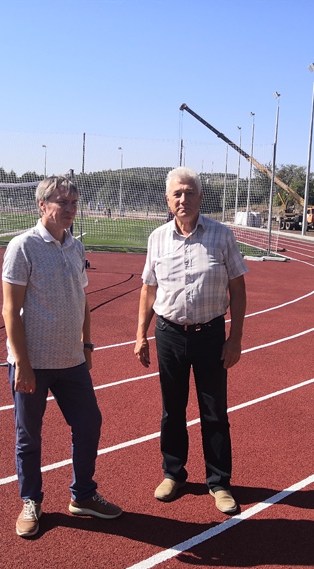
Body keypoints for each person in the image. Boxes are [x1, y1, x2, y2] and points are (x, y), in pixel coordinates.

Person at [2, 175, 122, 538]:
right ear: (42, 205)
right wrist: (22, 363)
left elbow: (82, 300)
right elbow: (10, 310)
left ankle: (83, 494)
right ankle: (31, 501)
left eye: (73, 203)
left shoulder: (75, 246)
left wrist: (87, 345)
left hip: (71, 361)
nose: (69, 209)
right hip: (33, 363)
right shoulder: (22, 247)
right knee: (29, 436)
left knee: (89, 424)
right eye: (62, 202)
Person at [134, 166, 248, 515]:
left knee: (214, 412)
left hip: (210, 335)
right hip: (169, 334)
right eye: (177, 194)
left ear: (200, 197)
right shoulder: (157, 238)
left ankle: (219, 482)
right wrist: (140, 335)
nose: (183, 199)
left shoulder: (221, 235)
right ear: (168, 200)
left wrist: (235, 339)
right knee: (172, 410)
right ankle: (174, 473)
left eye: (189, 192)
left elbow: (238, 289)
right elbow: (149, 289)